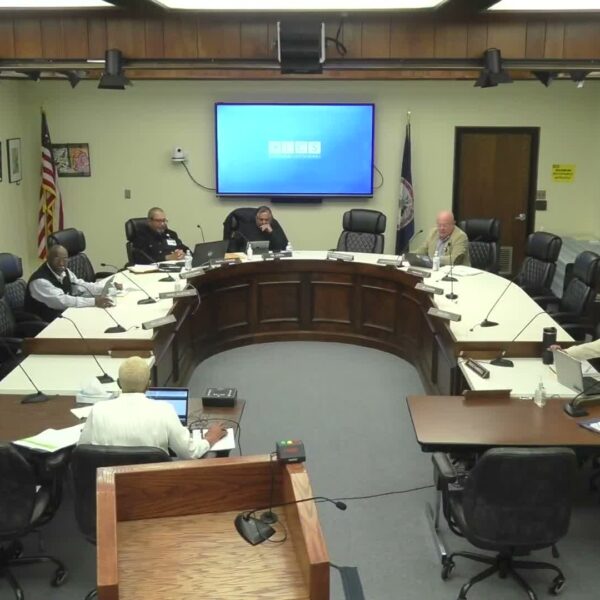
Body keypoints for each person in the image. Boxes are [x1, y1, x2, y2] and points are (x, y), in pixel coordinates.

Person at [78, 356, 227, 458]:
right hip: (153, 488)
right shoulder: (164, 410)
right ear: (148, 384)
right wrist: (209, 438)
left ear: (118, 383)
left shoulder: (98, 410)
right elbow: (189, 453)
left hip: (109, 487)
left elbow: (82, 450)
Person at [25, 244, 118, 322]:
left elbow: (81, 286)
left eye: (65, 259)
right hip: (46, 324)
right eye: (57, 258)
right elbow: (62, 301)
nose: (61, 263)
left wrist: (107, 287)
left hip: (64, 315)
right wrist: (94, 301)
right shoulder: (40, 281)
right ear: (48, 258)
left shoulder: (65, 271)